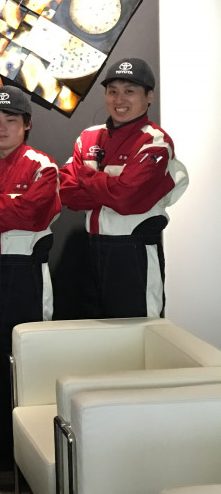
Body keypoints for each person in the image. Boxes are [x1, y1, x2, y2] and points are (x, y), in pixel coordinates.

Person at [0, 86, 61, 466]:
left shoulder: (43, 166)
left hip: (24, 275)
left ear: (27, 124)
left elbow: (34, 215)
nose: (1, 126)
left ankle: (28, 450)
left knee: (24, 361)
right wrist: (8, 207)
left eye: (11, 119)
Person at [59, 57, 188, 318]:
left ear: (149, 96)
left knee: (138, 332)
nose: (119, 100)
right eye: (112, 91)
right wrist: (111, 188)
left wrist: (86, 176)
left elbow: (124, 198)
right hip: (91, 249)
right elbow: (67, 193)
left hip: (133, 252)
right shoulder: (88, 137)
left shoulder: (155, 142)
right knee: (94, 333)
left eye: (129, 91)